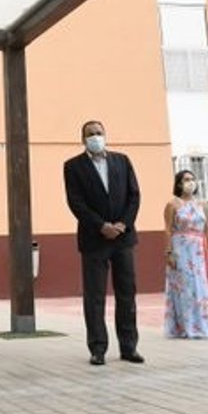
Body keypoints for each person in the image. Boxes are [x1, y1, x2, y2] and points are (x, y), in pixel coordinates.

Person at [63, 120, 144, 366]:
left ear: (105, 135)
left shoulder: (122, 161)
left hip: (123, 238)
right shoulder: (73, 166)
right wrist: (101, 226)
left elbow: (134, 196)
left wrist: (122, 224)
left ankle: (129, 347)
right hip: (94, 239)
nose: (95, 137)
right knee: (95, 296)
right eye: (90, 134)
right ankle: (98, 348)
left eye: (99, 133)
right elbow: (76, 203)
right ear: (83, 139)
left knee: (126, 293)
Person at [163, 170, 208, 339]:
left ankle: (206, 324)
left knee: (203, 286)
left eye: (192, 179)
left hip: (200, 250)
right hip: (181, 249)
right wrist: (168, 252)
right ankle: (185, 326)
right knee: (185, 287)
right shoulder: (172, 205)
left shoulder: (203, 204)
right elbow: (168, 229)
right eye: (186, 180)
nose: (190, 182)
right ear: (179, 184)